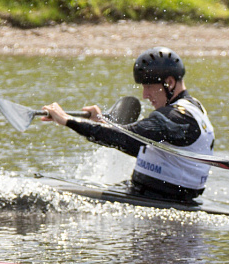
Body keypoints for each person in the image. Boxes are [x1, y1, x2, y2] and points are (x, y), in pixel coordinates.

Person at [41, 47, 215, 202]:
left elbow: (124, 138)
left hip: (161, 197)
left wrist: (68, 120)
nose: (145, 95)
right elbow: (138, 145)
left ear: (169, 83)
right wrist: (101, 121)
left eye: (149, 87)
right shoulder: (192, 109)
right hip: (156, 192)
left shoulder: (176, 117)